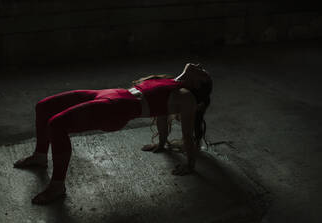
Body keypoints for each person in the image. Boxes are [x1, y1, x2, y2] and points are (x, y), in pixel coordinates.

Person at [13, 63, 213, 205]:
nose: (199, 66)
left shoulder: (187, 98)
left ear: (198, 85)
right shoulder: (170, 82)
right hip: (109, 94)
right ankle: (40, 156)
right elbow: (162, 116)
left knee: (56, 125)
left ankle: (57, 186)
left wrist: (190, 164)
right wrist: (161, 144)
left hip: (117, 108)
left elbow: (187, 134)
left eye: (203, 72)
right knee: (44, 106)